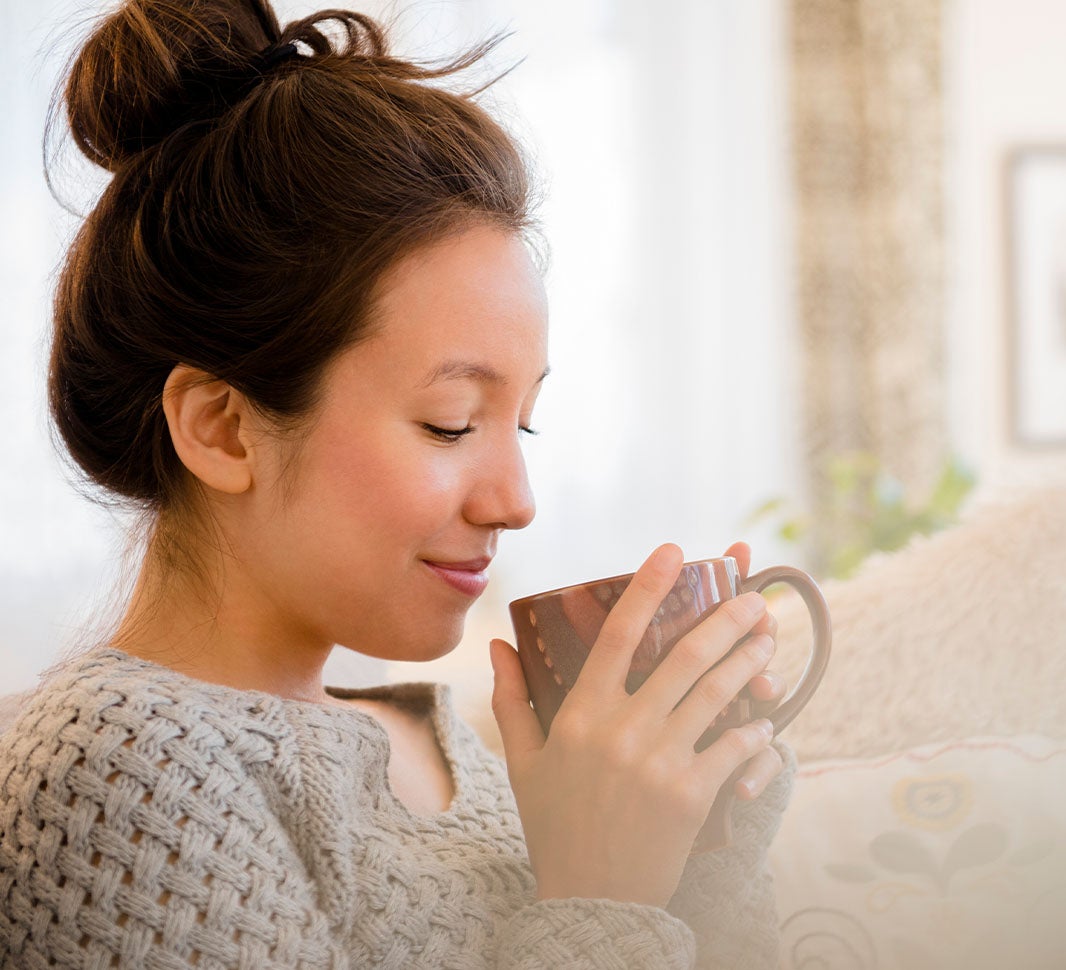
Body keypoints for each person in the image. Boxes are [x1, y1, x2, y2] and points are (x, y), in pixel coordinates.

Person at [0, 2, 794, 967]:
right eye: (451, 423)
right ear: (222, 429)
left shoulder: (443, 739)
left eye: (524, 422)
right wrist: (604, 896)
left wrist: (689, 840)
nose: (516, 499)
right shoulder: (116, 763)